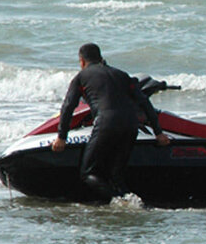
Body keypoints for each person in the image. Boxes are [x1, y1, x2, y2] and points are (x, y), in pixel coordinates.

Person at [52, 43, 170, 202]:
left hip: (106, 123)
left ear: (81, 61)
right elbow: (144, 103)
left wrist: (61, 137)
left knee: (88, 173)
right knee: (116, 175)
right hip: (131, 124)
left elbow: (68, 108)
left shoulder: (81, 77)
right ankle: (133, 201)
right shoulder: (122, 75)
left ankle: (121, 202)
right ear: (101, 58)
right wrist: (159, 133)